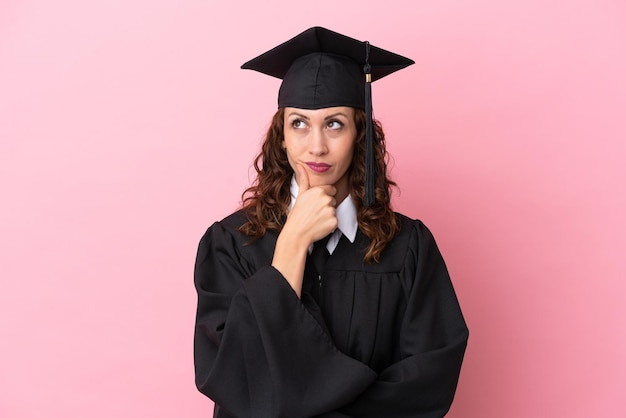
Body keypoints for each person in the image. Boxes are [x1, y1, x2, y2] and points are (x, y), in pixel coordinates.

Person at [194, 27, 469, 418]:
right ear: (281, 136)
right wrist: (293, 240)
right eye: (299, 123)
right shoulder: (230, 245)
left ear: (360, 133)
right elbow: (229, 374)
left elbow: (427, 382)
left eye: (335, 123)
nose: (316, 145)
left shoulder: (408, 247)